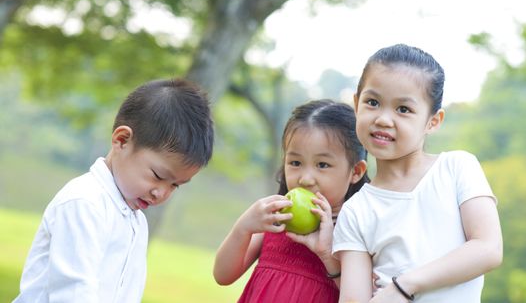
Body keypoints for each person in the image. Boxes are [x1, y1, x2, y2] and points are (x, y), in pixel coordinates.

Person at [14, 78, 214, 303]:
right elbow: (73, 292)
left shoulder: (136, 220)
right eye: (158, 176)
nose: (162, 193)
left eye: (175, 185)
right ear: (122, 140)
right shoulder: (84, 202)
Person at [333, 44, 503, 303]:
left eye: (403, 109)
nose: (383, 119)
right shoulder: (355, 211)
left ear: (433, 121)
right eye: (372, 102)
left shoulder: (457, 168)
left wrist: (403, 285)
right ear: (357, 105)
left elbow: (488, 249)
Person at [214, 99, 368, 302]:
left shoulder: (356, 231)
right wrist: (243, 227)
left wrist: (326, 254)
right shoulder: (276, 221)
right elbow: (223, 275)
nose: (305, 179)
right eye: (295, 162)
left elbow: (362, 297)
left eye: (322, 164)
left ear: (355, 171)